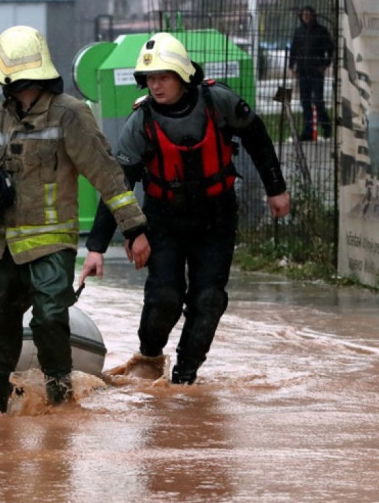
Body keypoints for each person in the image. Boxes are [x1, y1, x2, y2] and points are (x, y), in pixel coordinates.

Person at [0, 25, 150, 413]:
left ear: (9, 73)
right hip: (2, 247)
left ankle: (61, 406)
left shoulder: (70, 114)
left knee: (50, 317)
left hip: (50, 244)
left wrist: (135, 227)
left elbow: (107, 175)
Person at [79, 32, 290, 385]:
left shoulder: (218, 101)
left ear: (182, 74)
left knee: (209, 299)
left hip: (216, 219)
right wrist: (106, 243)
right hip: (164, 221)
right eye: (150, 78)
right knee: (165, 296)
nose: (156, 85)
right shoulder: (141, 122)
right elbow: (119, 187)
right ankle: (148, 358)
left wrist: (276, 189)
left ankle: (183, 379)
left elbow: (257, 138)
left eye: (163, 77)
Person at [288, 5, 333, 141]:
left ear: (313, 15)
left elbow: (330, 49)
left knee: (318, 101)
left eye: (308, 14)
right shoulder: (298, 31)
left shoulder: (321, 31)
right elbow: (293, 50)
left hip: (316, 72)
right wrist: (292, 67)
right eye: (304, 14)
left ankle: (326, 128)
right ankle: (308, 132)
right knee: (305, 102)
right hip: (303, 72)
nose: (306, 16)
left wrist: (325, 64)